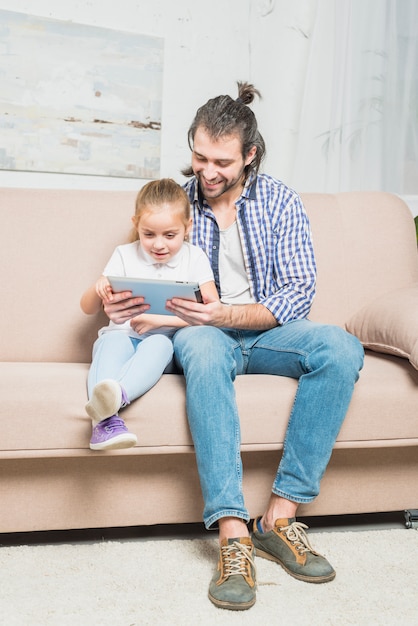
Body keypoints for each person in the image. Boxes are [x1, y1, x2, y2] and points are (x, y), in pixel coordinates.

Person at [102, 83, 364, 611]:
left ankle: (278, 519)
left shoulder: (280, 200)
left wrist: (227, 312)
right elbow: (138, 266)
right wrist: (120, 303)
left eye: (222, 160)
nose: (208, 171)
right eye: (200, 157)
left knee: (340, 347)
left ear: (250, 155)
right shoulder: (175, 202)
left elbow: (296, 291)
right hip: (203, 335)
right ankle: (232, 535)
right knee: (199, 344)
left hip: (266, 331)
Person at [80, 178, 218, 452]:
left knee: (161, 343)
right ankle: (105, 425)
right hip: (120, 334)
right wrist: (97, 289)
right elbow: (87, 308)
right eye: (148, 234)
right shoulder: (124, 254)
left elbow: (211, 312)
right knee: (113, 341)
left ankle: (115, 399)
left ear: (187, 228)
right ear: (136, 225)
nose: (158, 245)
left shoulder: (195, 258)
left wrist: (160, 321)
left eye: (170, 235)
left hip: (159, 343)